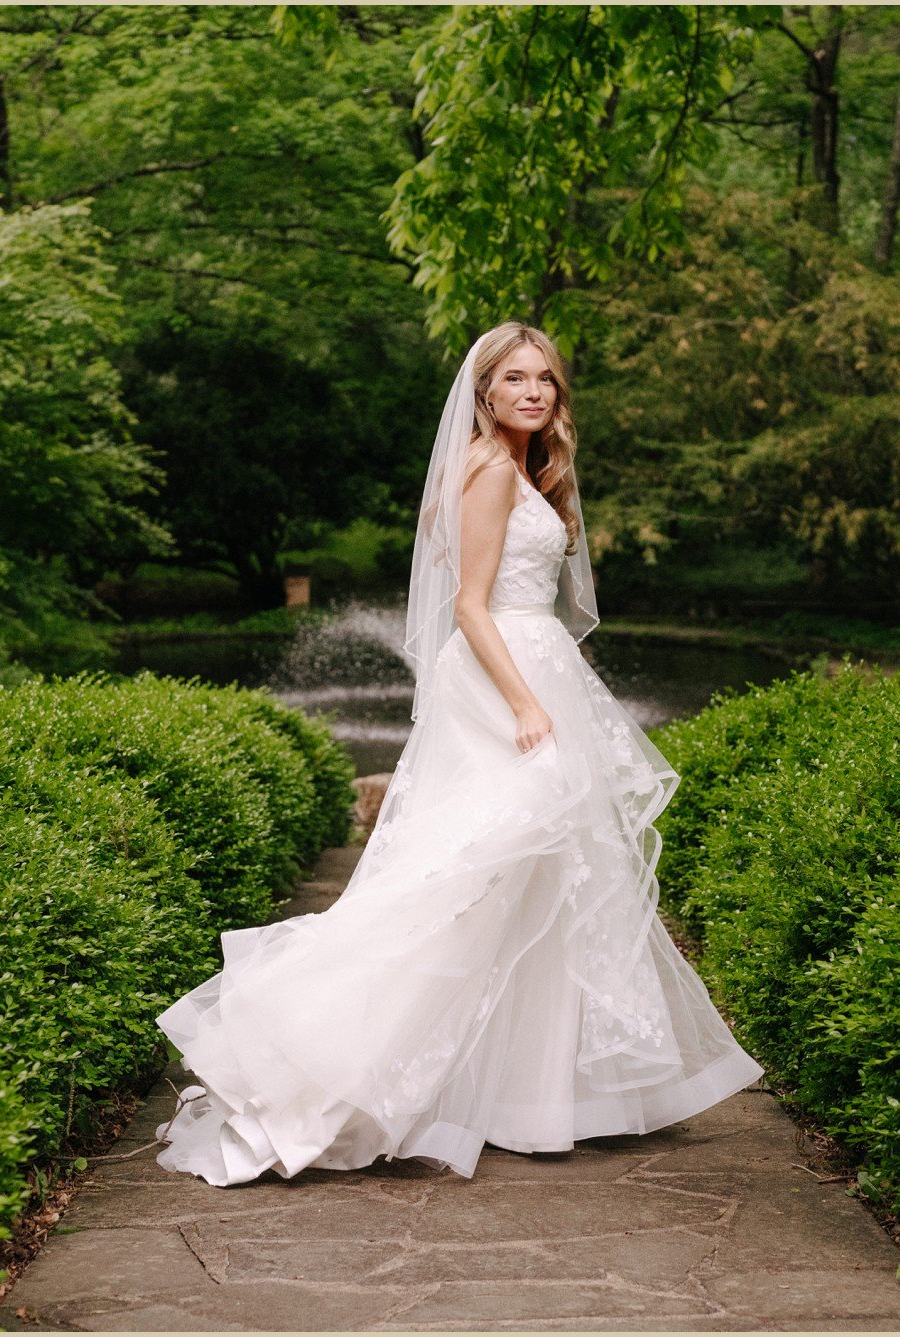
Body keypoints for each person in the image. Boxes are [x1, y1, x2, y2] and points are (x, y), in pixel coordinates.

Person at [153, 321, 763, 1186]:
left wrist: (560, 684)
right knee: (471, 872)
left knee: (554, 878)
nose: (533, 391)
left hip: (540, 670)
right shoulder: (483, 469)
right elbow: (472, 607)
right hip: (500, 684)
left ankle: (534, 1095)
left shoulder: (534, 472)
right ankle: (334, 1050)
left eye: (545, 378)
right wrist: (523, 704)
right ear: (483, 393)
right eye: (514, 378)